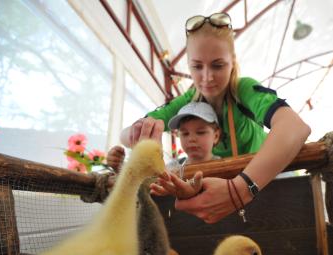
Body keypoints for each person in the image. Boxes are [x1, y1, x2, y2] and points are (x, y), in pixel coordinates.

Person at [120, 12, 311, 223]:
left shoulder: (244, 89)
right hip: (228, 191)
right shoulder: (187, 100)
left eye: (218, 65)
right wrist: (140, 130)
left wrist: (240, 189)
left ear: (232, 62)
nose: (207, 77)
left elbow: (295, 127)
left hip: (274, 180)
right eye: (197, 66)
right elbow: (125, 135)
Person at [108, 101, 222, 199]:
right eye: (185, 133)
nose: (191, 139)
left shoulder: (228, 168)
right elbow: (146, 182)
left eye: (200, 132)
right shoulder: (171, 168)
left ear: (216, 136)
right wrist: (121, 167)